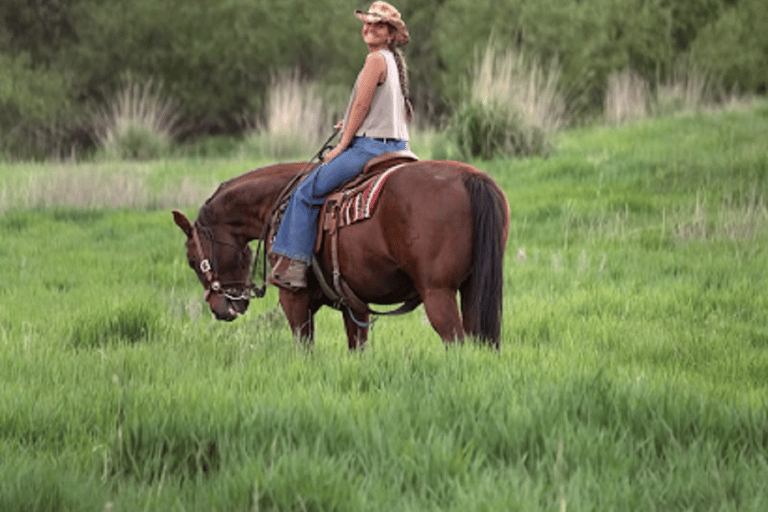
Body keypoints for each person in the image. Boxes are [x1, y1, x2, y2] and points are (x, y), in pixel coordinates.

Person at [268, 1, 412, 291]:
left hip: (370, 149)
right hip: (399, 147)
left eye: (378, 25)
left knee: (306, 192)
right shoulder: (391, 62)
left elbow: (361, 104)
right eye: (367, 24)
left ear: (390, 34)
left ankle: (294, 267)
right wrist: (347, 122)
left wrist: (342, 144)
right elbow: (374, 108)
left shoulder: (375, 60)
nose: (369, 28)